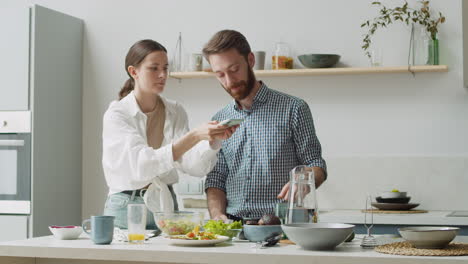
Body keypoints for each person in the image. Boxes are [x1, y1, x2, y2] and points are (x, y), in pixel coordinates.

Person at [102, 39, 237, 229]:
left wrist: (210, 141)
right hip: (126, 206)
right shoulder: (117, 114)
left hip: (165, 204)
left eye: (166, 68)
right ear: (134, 72)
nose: (163, 75)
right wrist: (194, 136)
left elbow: (193, 166)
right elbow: (142, 164)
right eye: (154, 68)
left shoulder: (175, 111)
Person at [203, 30, 327, 221]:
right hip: (234, 229)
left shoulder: (293, 108)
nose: (229, 81)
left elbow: (316, 165)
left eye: (234, 69)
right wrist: (217, 214)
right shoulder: (220, 119)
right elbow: (216, 178)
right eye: (220, 75)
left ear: (250, 60)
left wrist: (303, 181)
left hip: (284, 226)